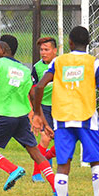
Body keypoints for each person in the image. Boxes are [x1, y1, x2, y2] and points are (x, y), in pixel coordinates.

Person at [33, 26, 99, 196]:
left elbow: (38, 87)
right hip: (87, 120)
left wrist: (37, 114)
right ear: (88, 44)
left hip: (62, 121)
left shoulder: (58, 61)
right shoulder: (95, 63)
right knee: (96, 164)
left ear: (70, 43)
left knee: (63, 167)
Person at [0, 34, 56, 192]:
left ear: (2, 49)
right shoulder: (24, 69)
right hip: (22, 117)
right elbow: (34, 94)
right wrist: (41, 119)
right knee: (35, 152)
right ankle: (56, 186)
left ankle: (12, 169)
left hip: (4, 116)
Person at [30, 36, 58, 182]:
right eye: (41, 49)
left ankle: (44, 158)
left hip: (60, 107)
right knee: (45, 138)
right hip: (44, 107)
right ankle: (36, 173)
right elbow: (32, 92)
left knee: (61, 142)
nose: (43, 52)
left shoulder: (61, 64)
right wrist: (34, 112)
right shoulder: (37, 67)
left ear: (55, 50)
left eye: (46, 49)